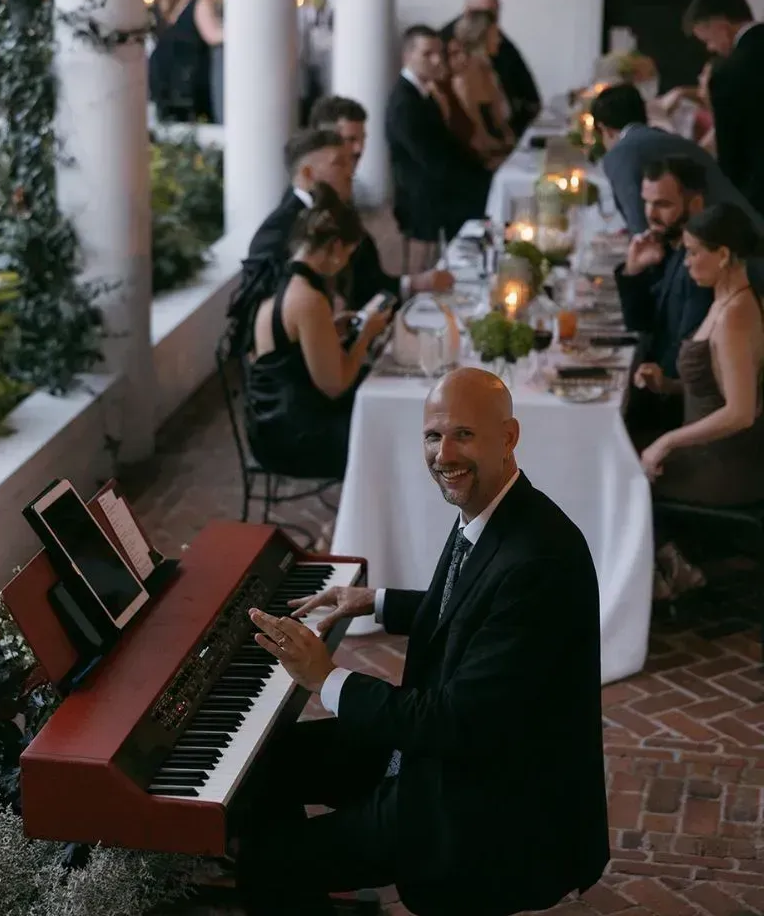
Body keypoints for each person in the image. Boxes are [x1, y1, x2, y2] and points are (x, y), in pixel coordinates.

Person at [238, 367, 609, 915]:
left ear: (508, 437)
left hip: (479, 800)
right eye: (433, 436)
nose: (443, 454)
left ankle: (293, 871)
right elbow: (473, 603)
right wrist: (377, 601)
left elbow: (453, 722)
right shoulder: (494, 510)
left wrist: (328, 679)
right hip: (435, 753)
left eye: (463, 434)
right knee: (265, 766)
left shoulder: (540, 560)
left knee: (270, 860)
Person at [244, 183, 389, 481]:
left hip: (271, 422)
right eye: (348, 254)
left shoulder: (284, 282)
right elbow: (335, 385)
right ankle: (367, 518)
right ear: (335, 247)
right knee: (384, 429)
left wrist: (330, 330)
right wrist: (366, 335)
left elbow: (288, 349)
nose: (345, 264)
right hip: (292, 437)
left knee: (378, 410)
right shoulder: (308, 299)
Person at [637, 204, 764, 501]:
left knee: (618, 476)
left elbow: (740, 413)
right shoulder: (724, 299)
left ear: (722, 255)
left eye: (693, 253)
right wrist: (666, 385)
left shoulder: (736, 315)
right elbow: (718, 388)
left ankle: (671, 546)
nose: (686, 263)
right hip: (703, 453)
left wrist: (667, 441)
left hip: (721, 466)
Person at [308, 95, 455, 308]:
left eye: (362, 138)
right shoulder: (315, 204)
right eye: (350, 139)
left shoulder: (345, 191)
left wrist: (415, 283)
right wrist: (414, 283)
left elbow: (366, 278)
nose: (359, 149)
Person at [615, 156, 714, 440]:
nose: (650, 214)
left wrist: (657, 383)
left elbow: (683, 353)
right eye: (648, 202)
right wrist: (634, 271)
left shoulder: (699, 268)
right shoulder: (672, 246)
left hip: (672, 411)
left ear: (695, 205)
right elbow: (641, 323)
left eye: (663, 204)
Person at [592, 83, 764, 242]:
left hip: (732, 256)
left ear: (603, 129)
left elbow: (642, 234)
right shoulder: (671, 140)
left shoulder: (621, 153)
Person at [385, 25, 493, 250]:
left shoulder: (422, 93)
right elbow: (431, 160)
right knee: (486, 193)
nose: (436, 60)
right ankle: (468, 261)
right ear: (407, 56)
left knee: (491, 182)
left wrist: (480, 166)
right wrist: (474, 179)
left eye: (438, 53)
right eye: (427, 54)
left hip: (435, 183)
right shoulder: (404, 103)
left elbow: (448, 144)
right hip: (421, 198)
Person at [683, 0, 764, 217]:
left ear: (721, 25)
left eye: (708, 40)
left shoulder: (729, 72)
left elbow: (730, 154)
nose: (711, 49)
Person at [442, 0, 541, 137]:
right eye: (484, 15)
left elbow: (529, 93)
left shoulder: (501, 44)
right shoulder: (443, 44)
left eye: (494, 15)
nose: (491, 22)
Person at [149, 0, 214, 122]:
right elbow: (212, 35)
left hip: (164, 78)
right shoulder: (199, 3)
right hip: (190, 82)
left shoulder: (167, 2)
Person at [452, 10, 514, 165]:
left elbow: (502, 124)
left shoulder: (489, 71)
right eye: (495, 35)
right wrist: (508, 149)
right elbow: (477, 138)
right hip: (478, 161)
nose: (499, 40)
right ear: (481, 37)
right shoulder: (463, 80)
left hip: (498, 152)